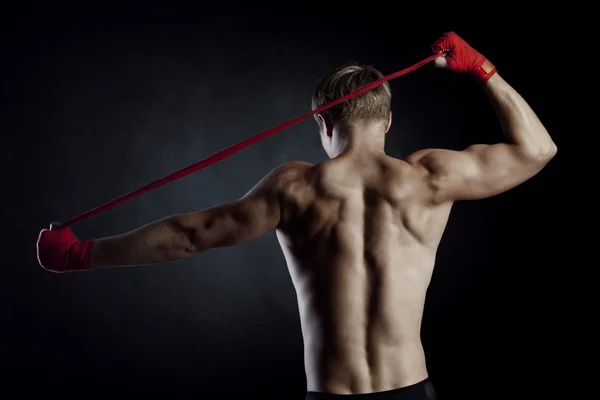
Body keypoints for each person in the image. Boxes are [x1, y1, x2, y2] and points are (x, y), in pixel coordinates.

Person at [37, 32, 557, 399]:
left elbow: (191, 236)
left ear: (323, 122)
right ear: (388, 121)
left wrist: (82, 255)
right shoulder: (429, 179)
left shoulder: (296, 187)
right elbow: (538, 151)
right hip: (410, 391)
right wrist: (484, 69)